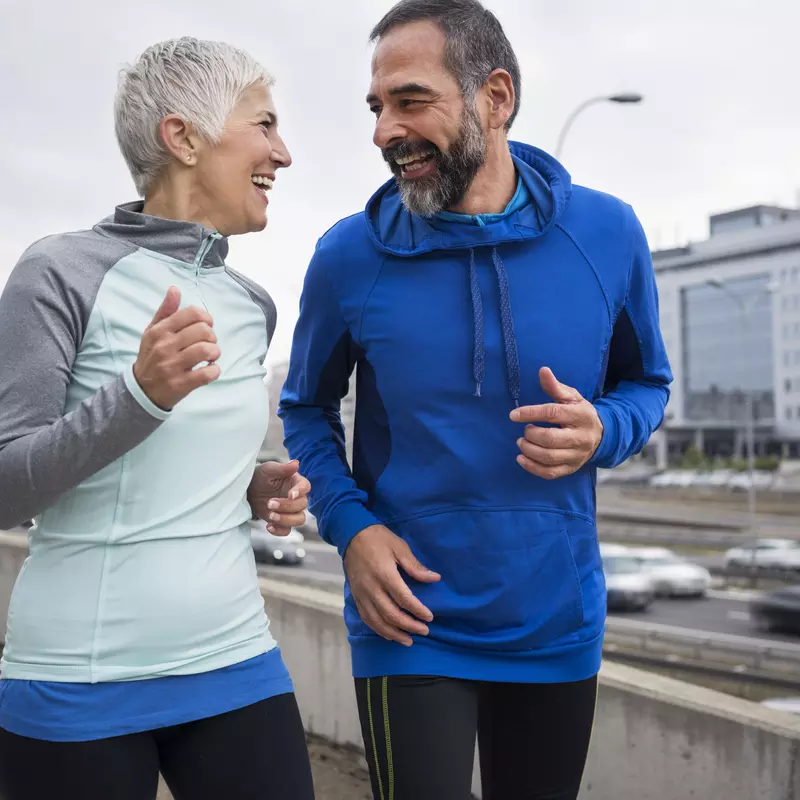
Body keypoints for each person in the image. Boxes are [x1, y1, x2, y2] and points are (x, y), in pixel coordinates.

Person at [279, 1, 672, 798]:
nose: (385, 130)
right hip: (409, 622)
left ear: (496, 98)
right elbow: (303, 411)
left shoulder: (608, 234)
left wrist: (603, 429)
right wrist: (351, 529)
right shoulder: (347, 257)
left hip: (555, 621)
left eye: (411, 101)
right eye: (377, 107)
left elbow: (648, 386)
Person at [0, 38, 315, 800]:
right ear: (183, 138)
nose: (285, 152)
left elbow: (164, 468)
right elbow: (7, 489)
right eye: (265, 125)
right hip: (79, 679)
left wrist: (248, 485)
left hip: (235, 661)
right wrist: (138, 395)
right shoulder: (59, 273)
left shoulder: (251, 304)